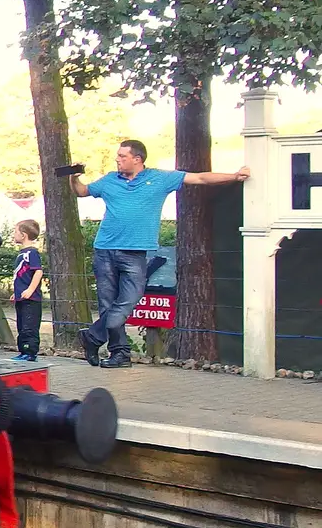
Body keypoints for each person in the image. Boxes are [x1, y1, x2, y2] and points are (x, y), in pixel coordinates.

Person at [68, 139, 250, 368]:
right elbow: (82, 191)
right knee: (108, 304)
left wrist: (234, 176)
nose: (117, 159)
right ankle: (120, 354)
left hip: (134, 253)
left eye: (122, 156)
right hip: (104, 249)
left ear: (137, 159)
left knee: (128, 301)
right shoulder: (109, 181)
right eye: (118, 155)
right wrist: (74, 177)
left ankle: (93, 337)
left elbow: (200, 178)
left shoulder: (160, 179)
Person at [10, 220, 44, 362]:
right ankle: (23, 350)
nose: (14, 234)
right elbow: (20, 276)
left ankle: (30, 352)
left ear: (23, 235)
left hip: (31, 299)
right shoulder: (22, 253)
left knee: (29, 326)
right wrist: (16, 292)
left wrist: (31, 289)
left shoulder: (31, 253)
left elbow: (38, 272)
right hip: (21, 297)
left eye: (16, 231)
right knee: (21, 325)